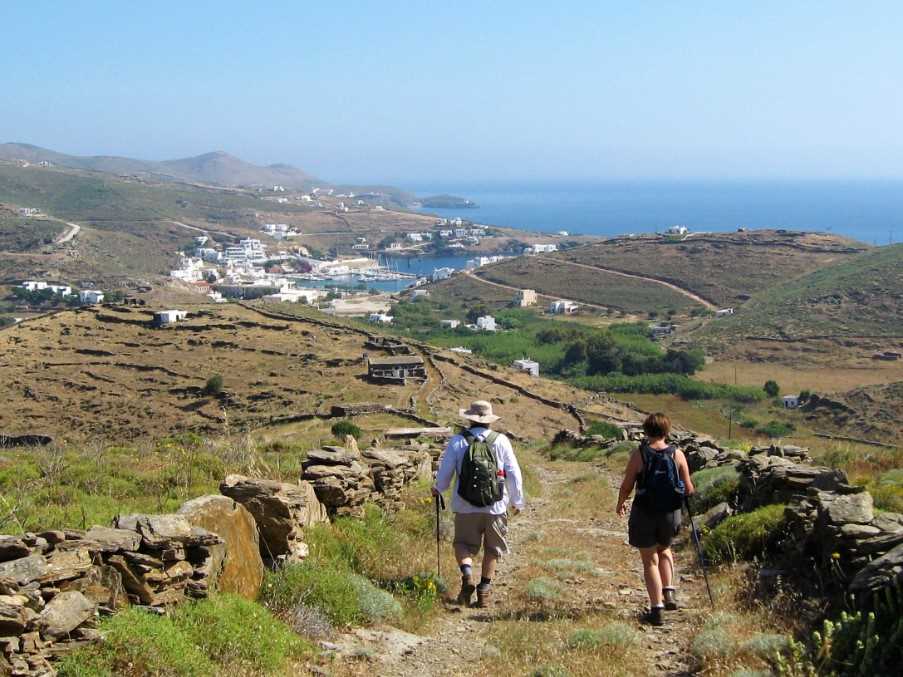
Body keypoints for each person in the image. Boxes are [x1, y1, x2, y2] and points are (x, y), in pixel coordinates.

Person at [432, 400, 525, 608]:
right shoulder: (501, 441)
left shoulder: (458, 441)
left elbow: (446, 473)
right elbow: (513, 473)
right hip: (496, 505)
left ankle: (467, 575)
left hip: (465, 505)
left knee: (462, 544)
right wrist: (517, 500)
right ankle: (484, 590)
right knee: (492, 548)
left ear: (469, 419)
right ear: (489, 421)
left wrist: (438, 488)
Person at [616, 412, 695, 626]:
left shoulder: (639, 454)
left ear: (646, 431)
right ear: (667, 431)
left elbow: (627, 485)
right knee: (665, 549)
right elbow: (689, 488)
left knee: (650, 560)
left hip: (644, 513)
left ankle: (656, 608)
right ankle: (669, 592)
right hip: (670, 513)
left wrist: (621, 501)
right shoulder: (677, 454)